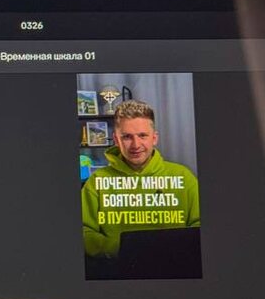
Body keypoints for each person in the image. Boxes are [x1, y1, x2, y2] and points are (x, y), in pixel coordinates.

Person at [82, 100, 200, 261]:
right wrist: (124, 249)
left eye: (142, 135)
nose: (135, 145)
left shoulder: (184, 177)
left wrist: (173, 248)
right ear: (116, 140)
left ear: (154, 138)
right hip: (116, 268)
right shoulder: (97, 181)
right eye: (127, 137)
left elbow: (201, 226)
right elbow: (84, 231)